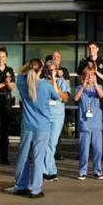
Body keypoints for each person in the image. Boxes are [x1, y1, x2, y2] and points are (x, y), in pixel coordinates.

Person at [14, 58, 59, 198]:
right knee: (38, 158)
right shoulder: (46, 85)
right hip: (42, 127)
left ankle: (21, 185)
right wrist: (52, 76)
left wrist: (29, 66)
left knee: (23, 156)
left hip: (28, 126)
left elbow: (20, 73)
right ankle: (35, 189)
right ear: (41, 70)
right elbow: (57, 96)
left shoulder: (22, 82)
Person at [41, 52, 71, 181]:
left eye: (53, 70)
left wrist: (55, 82)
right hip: (44, 115)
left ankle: (48, 170)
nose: (50, 72)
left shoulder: (62, 82)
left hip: (57, 116)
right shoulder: (42, 82)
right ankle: (49, 171)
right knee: (45, 143)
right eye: (48, 70)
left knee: (52, 143)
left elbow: (64, 98)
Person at [74, 67, 103, 180]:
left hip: (96, 123)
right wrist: (84, 85)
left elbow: (101, 96)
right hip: (84, 123)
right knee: (84, 150)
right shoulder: (79, 87)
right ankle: (83, 171)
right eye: (87, 75)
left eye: (92, 75)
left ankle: (97, 170)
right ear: (83, 76)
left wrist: (95, 84)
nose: (90, 77)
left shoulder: (98, 87)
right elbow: (76, 98)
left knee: (98, 150)